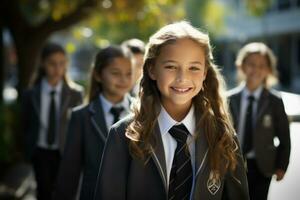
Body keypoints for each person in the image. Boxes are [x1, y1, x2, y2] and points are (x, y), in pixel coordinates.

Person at [94, 21, 249, 200]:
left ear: (205, 72)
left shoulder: (223, 136)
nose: (183, 78)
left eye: (194, 68)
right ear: (152, 69)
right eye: (171, 67)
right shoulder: (122, 136)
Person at [53, 45, 134, 200]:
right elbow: (70, 171)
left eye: (129, 73)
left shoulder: (143, 113)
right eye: (115, 73)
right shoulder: (81, 117)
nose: (123, 79)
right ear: (98, 75)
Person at [228, 42, 291, 200]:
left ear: (269, 69)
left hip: (263, 165)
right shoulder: (229, 99)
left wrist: (282, 166)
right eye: (251, 64)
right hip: (234, 163)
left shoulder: (274, 101)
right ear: (241, 66)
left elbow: (284, 136)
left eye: (262, 65)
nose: (256, 69)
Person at [21, 43, 83, 200]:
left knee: (64, 192)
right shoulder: (30, 94)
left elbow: (79, 127)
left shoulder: (75, 94)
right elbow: (25, 123)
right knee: (43, 191)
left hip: (64, 152)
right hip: (40, 151)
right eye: (52, 63)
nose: (57, 68)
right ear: (43, 63)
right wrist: (28, 148)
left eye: (62, 63)